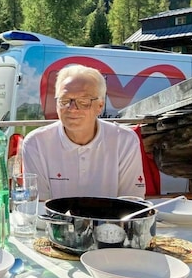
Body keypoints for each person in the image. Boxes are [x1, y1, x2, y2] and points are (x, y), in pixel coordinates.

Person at [22, 64, 145, 200]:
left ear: (100, 106)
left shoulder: (125, 140)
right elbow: (39, 205)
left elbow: (132, 202)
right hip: (55, 221)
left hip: (111, 221)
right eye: (64, 101)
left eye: (83, 101)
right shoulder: (36, 143)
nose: (72, 108)